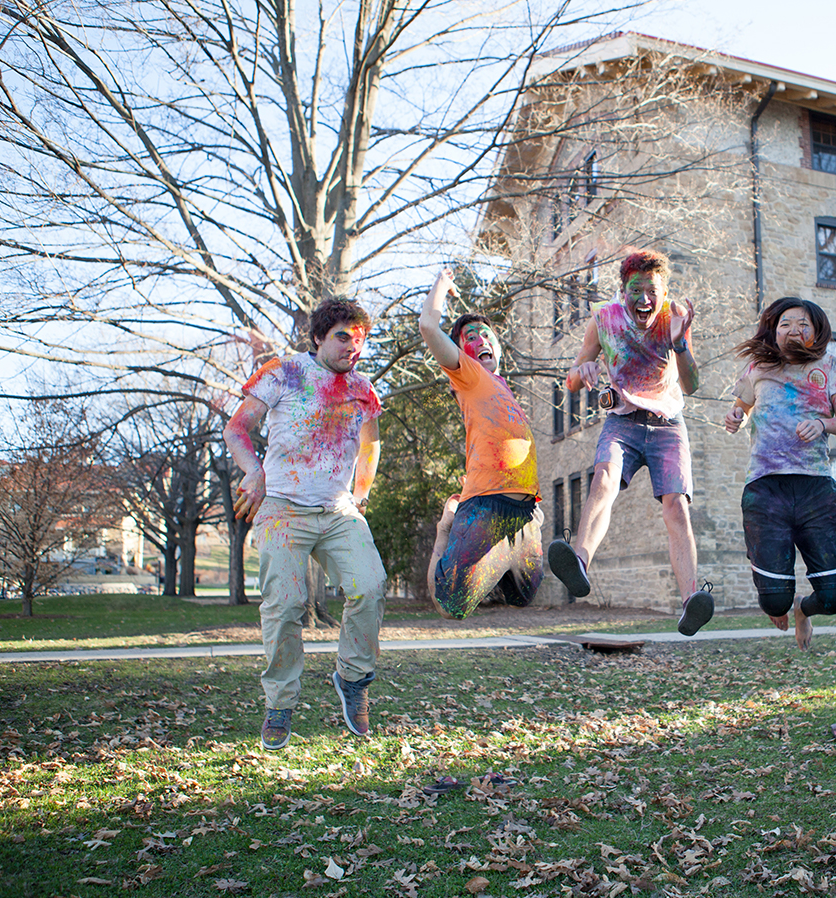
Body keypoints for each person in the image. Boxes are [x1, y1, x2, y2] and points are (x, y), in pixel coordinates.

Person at [224, 296, 387, 750]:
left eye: (360, 340)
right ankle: (279, 703)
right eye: (342, 337)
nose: (352, 347)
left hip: (337, 511)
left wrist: (361, 493)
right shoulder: (284, 372)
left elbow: (370, 445)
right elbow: (236, 429)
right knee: (285, 604)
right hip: (282, 508)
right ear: (318, 337)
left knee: (370, 586)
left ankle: (352, 680)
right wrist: (253, 471)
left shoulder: (364, 390)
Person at [547, 248, 713, 635]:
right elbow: (572, 378)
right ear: (622, 291)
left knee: (677, 507)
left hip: (668, 424)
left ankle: (691, 599)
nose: (644, 300)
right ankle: (580, 563)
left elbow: (692, 384)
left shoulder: (674, 317)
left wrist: (680, 343)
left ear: (664, 291)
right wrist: (582, 370)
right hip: (622, 421)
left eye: (652, 291)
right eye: (635, 290)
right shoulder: (603, 319)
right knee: (603, 480)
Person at [725, 297, 836, 651]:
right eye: (785, 323)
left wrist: (821, 422)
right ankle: (781, 598)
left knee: (833, 598)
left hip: (816, 487)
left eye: (803, 323)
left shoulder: (831, 365)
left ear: (816, 331)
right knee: (772, 602)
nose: (794, 329)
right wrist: (735, 417)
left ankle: (804, 608)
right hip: (766, 490)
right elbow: (741, 408)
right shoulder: (757, 367)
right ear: (773, 330)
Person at [417, 268, 544, 619]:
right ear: (459, 351)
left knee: (524, 594)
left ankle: (502, 554)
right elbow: (429, 326)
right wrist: (441, 285)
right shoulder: (468, 375)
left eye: (487, 334)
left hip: (524, 509)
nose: (481, 340)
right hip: (485, 502)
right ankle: (448, 526)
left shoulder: (502, 387)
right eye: (470, 336)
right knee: (451, 605)